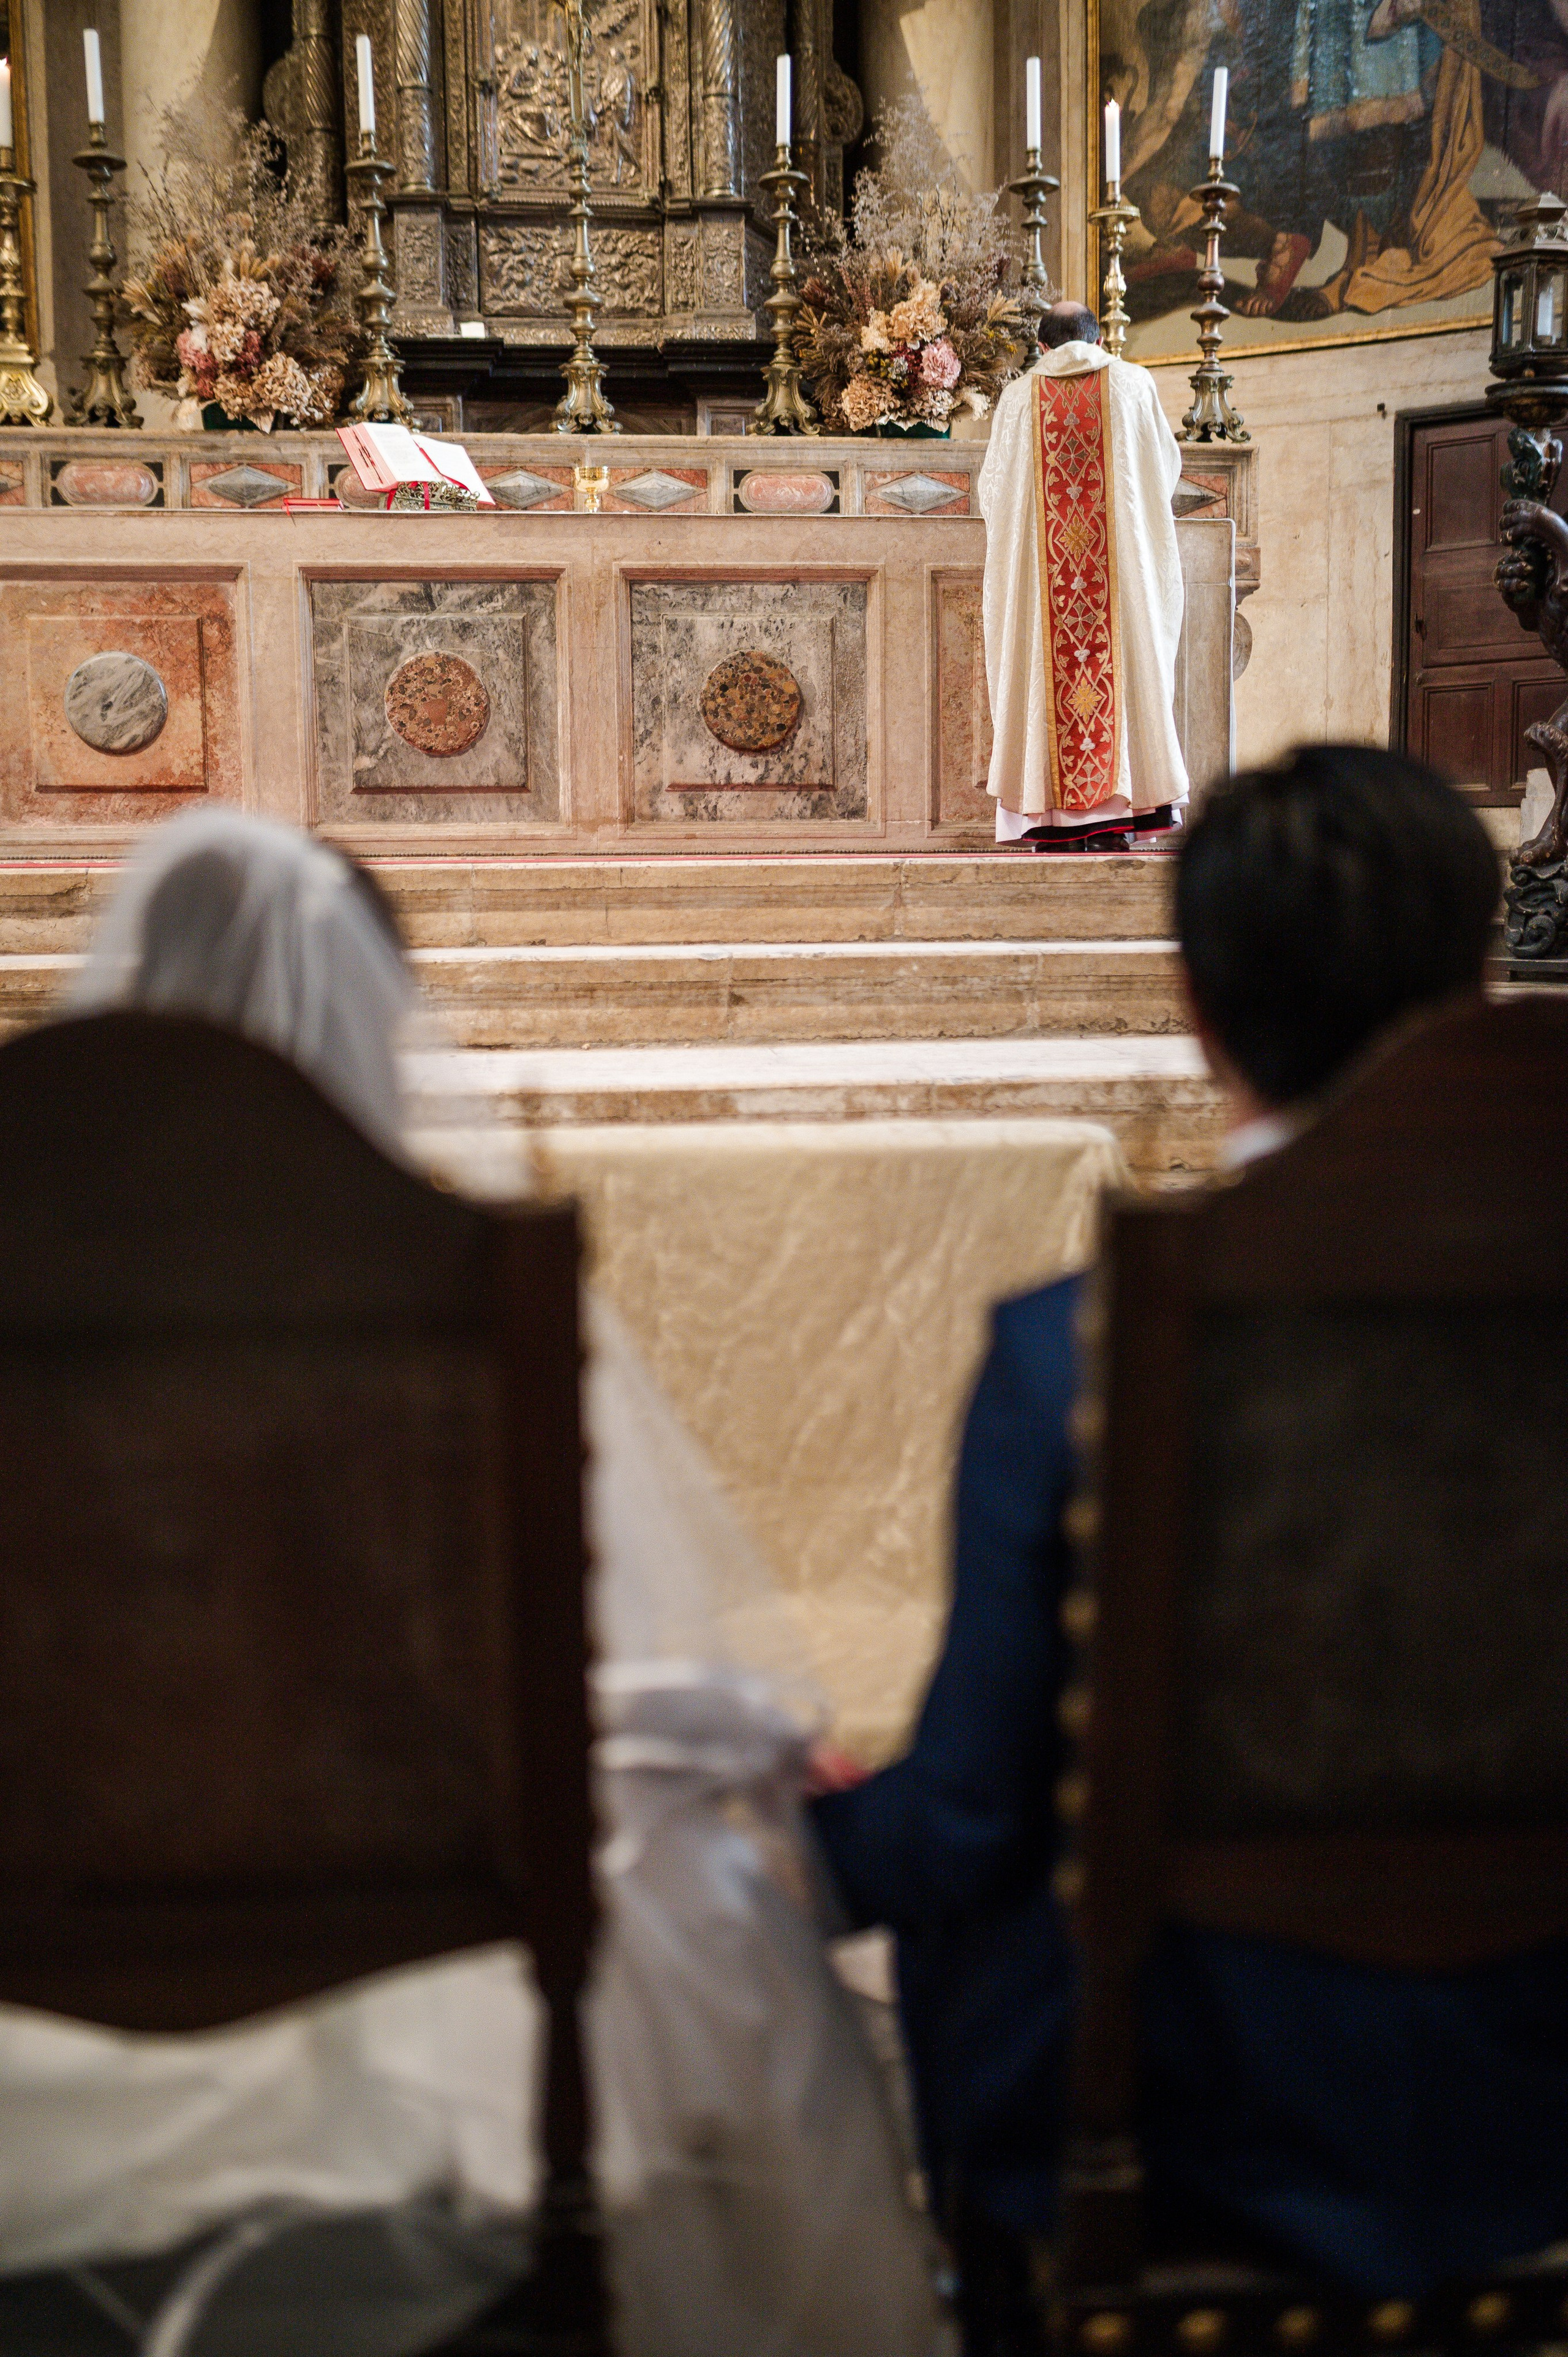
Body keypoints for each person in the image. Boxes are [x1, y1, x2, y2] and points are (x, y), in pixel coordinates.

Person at [0, 809, 940, 2357]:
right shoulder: (451, 1300)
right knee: (702, 1894)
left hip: (54, 1967)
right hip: (404, 1928)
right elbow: (549, 1673)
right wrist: (734, 1735)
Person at [812, 746, 1518, 2355]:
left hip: (1194, 2123)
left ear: (1198, 1011)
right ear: (1480, 984)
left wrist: (782, 1850)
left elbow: (971, 1825)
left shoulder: (1081, 1356)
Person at [978, 300, 1189, 854]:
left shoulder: (1020, 396)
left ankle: (1053, 822)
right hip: (1119, 578)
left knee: (1041, 674)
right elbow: (1163, 468)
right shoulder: (1133, 383)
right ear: (1098, 342)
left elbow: (993, 491)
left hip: (1043, 586)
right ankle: (1118, 814)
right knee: (1127, 664)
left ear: (1041, 347)